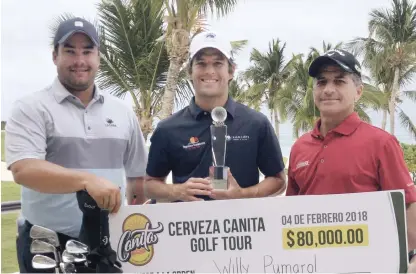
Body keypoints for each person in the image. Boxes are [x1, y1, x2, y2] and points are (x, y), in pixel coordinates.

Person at [5, 17, 148, 273]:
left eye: (87, 51)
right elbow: (24, 169)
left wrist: (136, 222)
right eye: (70, 51)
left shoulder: (122, 112)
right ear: (54, 56)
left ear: (98, 57)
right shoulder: (32, 108)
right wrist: (86, 181)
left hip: (111, 241)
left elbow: (138, 178)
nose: (80, 60)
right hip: (48, 244)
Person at [285, 49, 416, 272]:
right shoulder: (300, 147)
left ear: (358, 91)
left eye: (339, 81)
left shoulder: (381, 143)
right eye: (321, 82)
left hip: (367, 265)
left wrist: (409, 260)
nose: (328, 89)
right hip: (311, 265)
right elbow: (290, 212)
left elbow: (407, 205)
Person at [144, 31, 286, 202]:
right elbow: (150, 185)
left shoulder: (256, 123)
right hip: (190, 227)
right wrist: (177, 191)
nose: (209, 71)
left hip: (244, 227)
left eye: (218, 63)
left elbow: (278, 180)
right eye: (201, 64)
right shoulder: (168, 128)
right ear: (190, 71)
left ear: (231, 71)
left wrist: (242, 195)